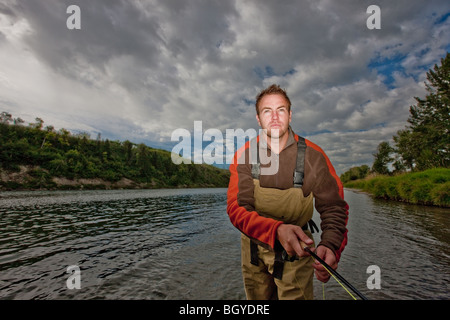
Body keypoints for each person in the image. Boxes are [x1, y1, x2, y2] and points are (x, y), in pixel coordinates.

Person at [226, 84, 349, 300]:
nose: (274, 117)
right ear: (258, 119)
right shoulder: (243, 155)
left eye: (280, 109)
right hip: (253, 251)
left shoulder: (315, 156)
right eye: (267, 111)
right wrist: (275, 230)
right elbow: (237, 208)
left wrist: (331, 245)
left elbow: (334, 207)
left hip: (300, 252)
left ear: (290, 115)